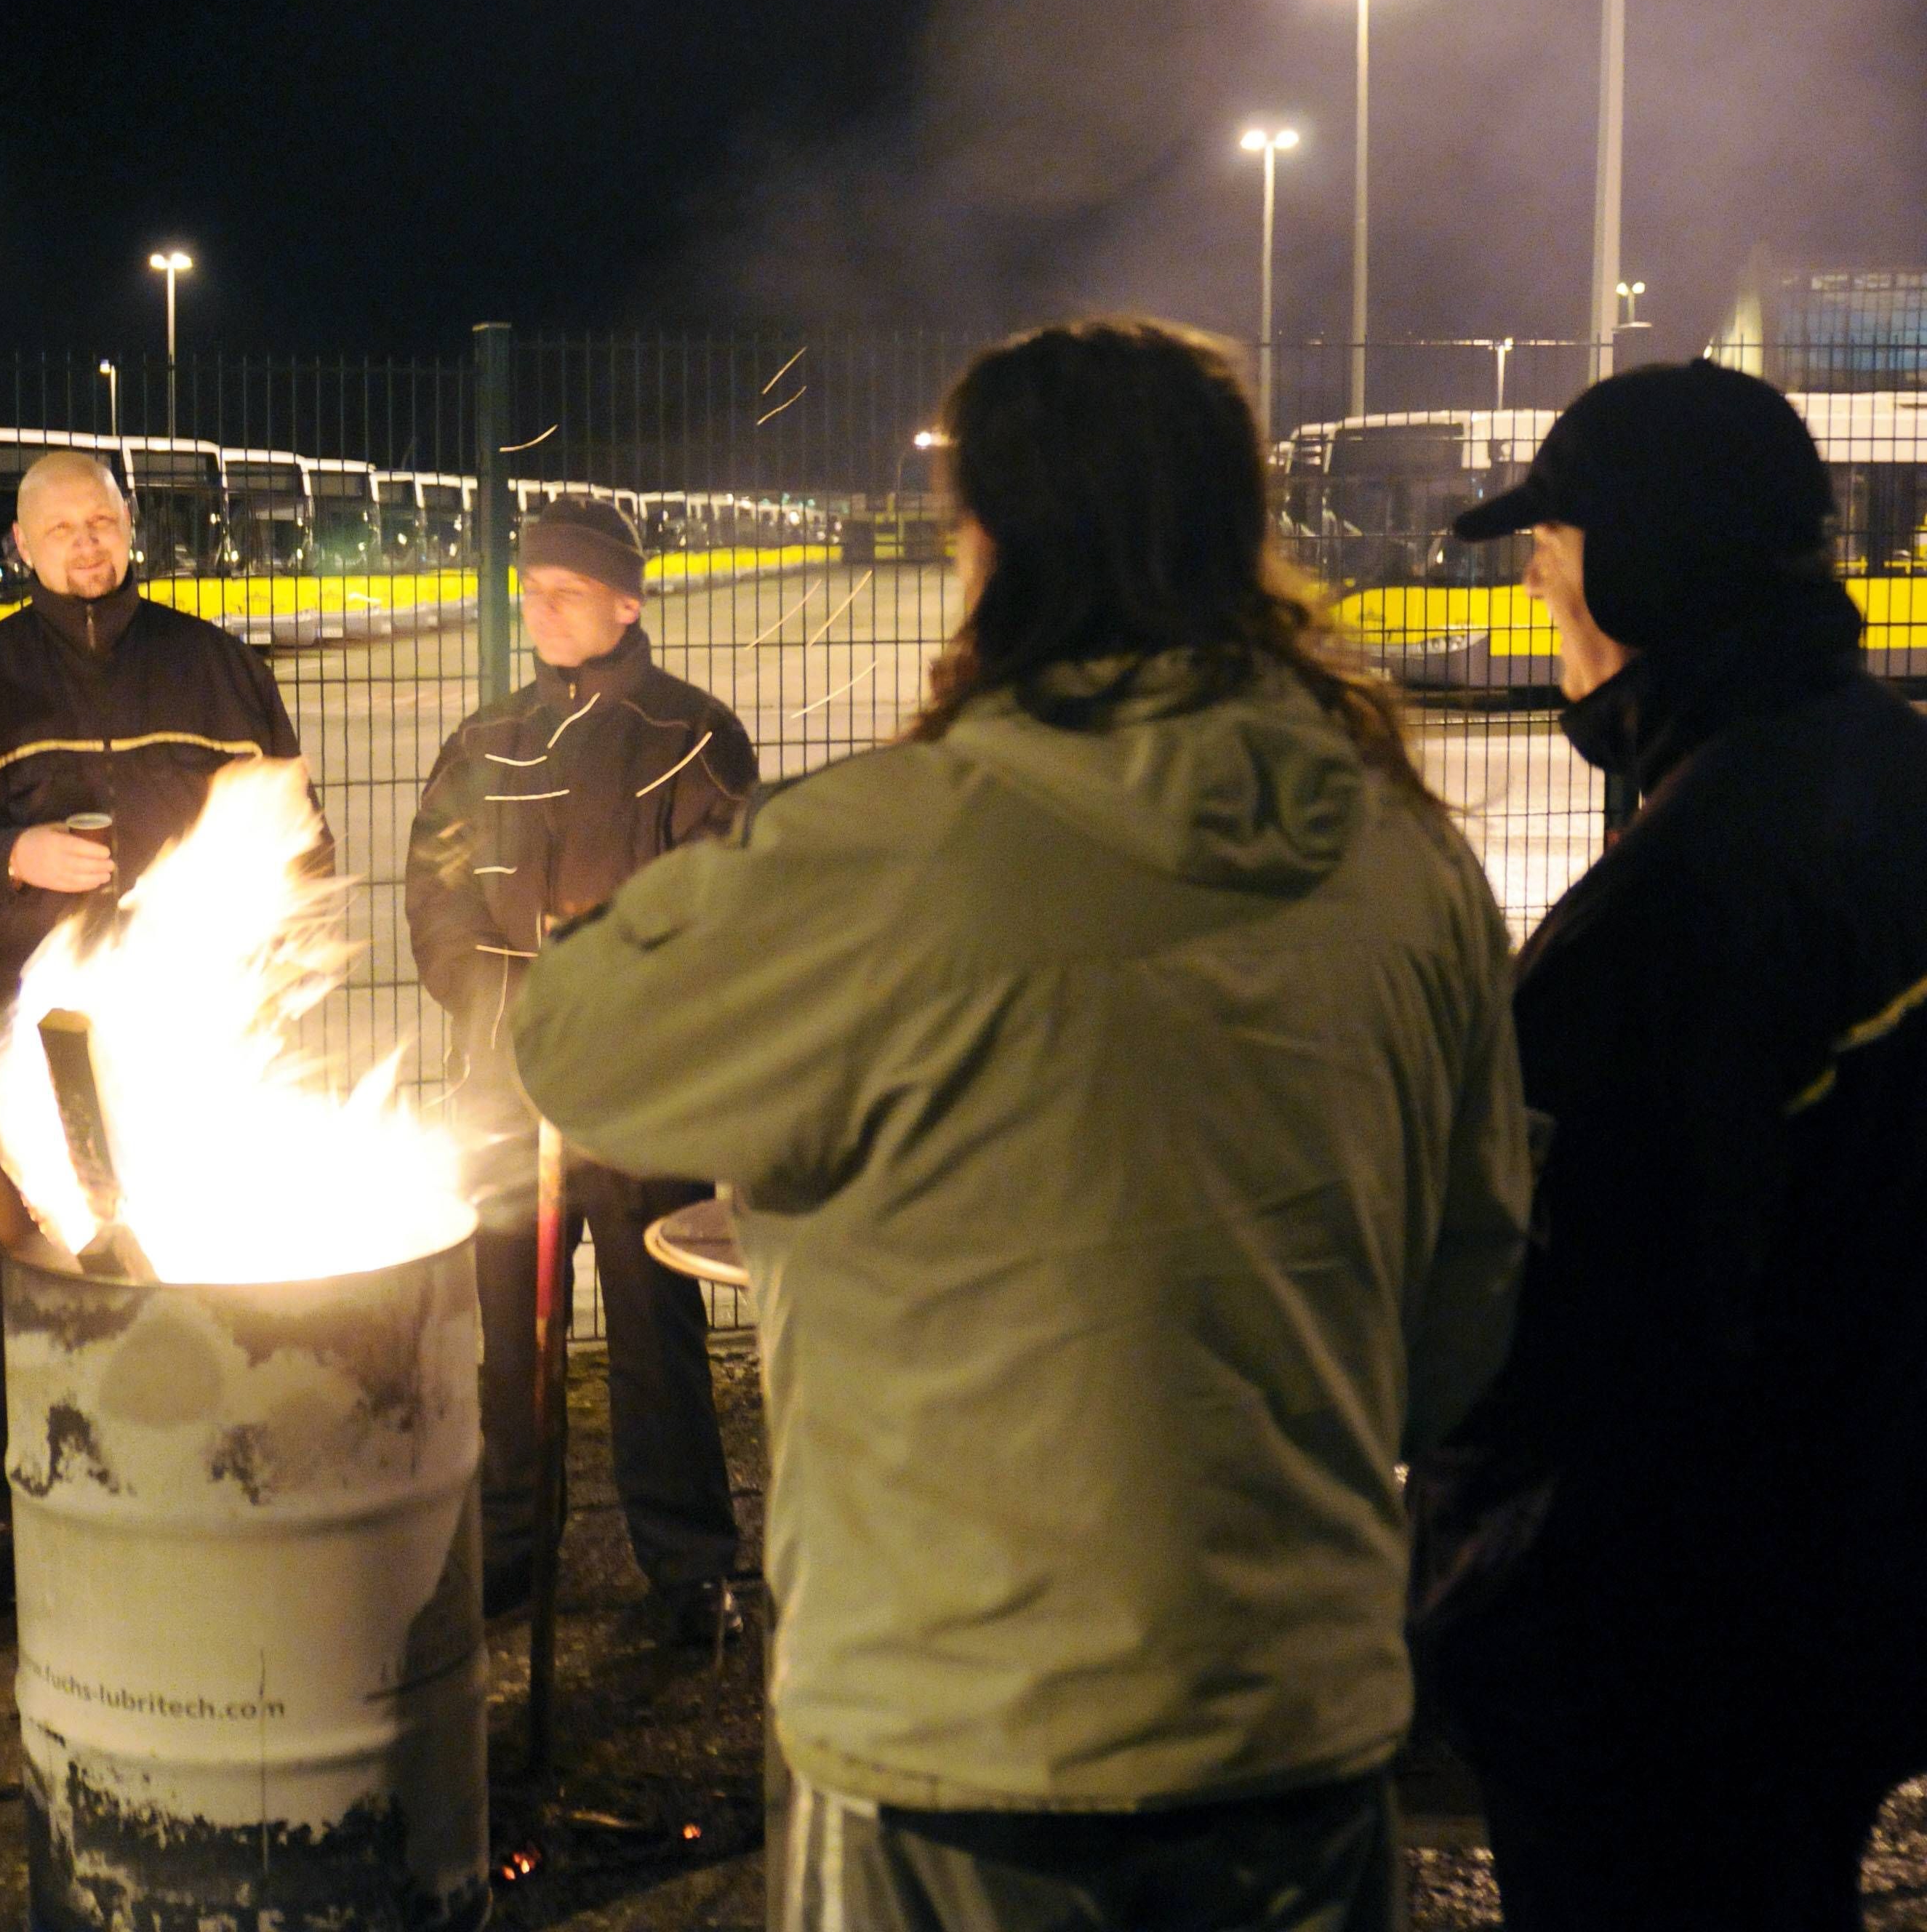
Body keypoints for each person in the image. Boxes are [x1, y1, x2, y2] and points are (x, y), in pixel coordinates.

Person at [514, 319, 1531, 1932]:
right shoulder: (1407, 857)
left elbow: (573, 1044)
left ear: (983, 544)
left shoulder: (884, 849)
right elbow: (1466, 1310)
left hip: (952, 1732)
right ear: (1238, 531)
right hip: (1300, 1719)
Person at [1408, 360, 1927, 1931]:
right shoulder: (1884, 772)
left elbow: (1564, 1327)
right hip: (1863, 1561)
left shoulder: (1676, 902)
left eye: (1548, 560)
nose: (1540, 599)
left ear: (1633, 567)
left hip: (1677, 1633)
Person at [0, 447, 313, 1600]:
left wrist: (271, 958)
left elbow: (295, 832)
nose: (86, 544)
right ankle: (42, 1492)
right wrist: (7, 855)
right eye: (61, 527)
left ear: (130, 530)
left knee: (197, 1230)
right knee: (51, 1241)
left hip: (197, 1020)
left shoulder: (214, 667)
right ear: (19, 544)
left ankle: (210, 1456)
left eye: (103, 522)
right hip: (45, 1025)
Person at [403, 494, 753, 1643]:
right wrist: (490, 997)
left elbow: (721, 910)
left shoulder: (692, 737)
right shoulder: (488, 739)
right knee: (514, 1336)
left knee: (657, 1335)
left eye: (564, 591)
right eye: (530, 591)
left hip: (641, 1097)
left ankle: (689, 1567)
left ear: (625, 601)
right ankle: (512, 1545)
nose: (540, 609)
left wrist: (609, 1001)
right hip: (503, 1091)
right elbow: (437, 886)